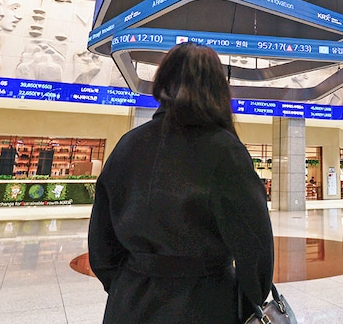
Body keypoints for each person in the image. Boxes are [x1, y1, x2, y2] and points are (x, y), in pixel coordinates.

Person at [88, 42, 274, 323]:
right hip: (204, 303)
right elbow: (255, 248)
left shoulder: (128, 145)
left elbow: (101, 245)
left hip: (128, 303)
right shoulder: (224, 150)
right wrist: (247, 304)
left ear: (163, 83)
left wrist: (127, 285)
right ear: (217, 88)